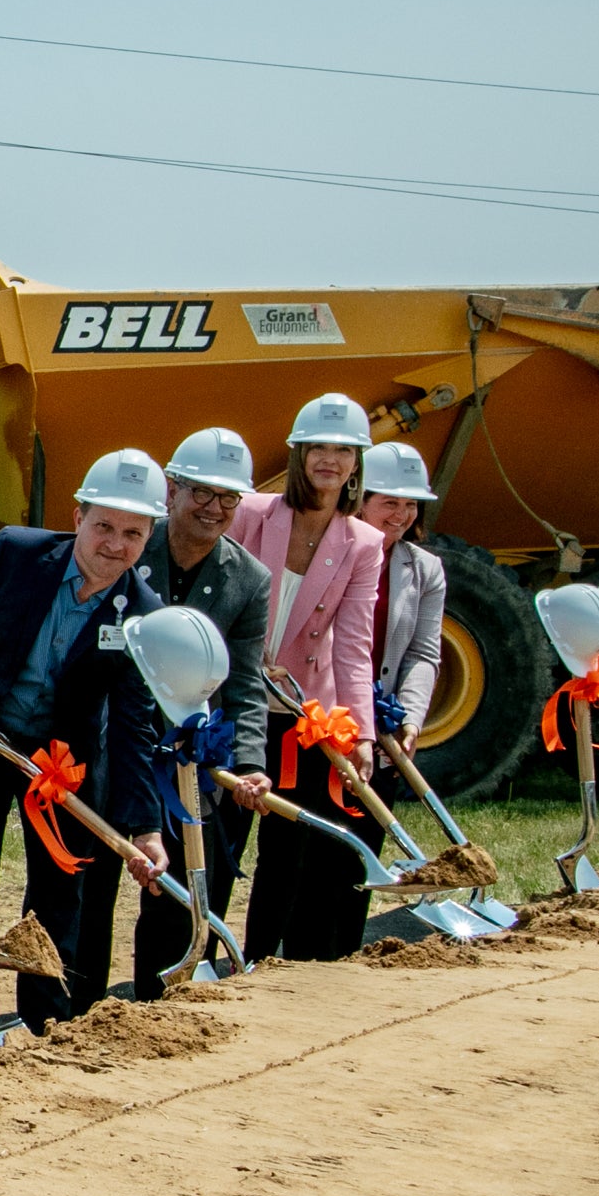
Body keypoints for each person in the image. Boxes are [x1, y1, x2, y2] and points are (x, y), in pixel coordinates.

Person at [0, 451, 177, 1028]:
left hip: (59, 766)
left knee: (59, 897)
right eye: (104, 526)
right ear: (78, 515)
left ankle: (47, 1026)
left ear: (149, 539)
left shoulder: (141, 615)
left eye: (133, 533)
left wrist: (144, 829)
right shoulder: (15, 553)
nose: (115, 544)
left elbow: (134, 723)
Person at [227, 396, 387, 961]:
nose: (330, 459)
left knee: (285, 850)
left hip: (300, 716)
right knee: (223, 845)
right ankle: (200, 961)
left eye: (344, 450)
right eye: (319, 446)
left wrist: (361, 731)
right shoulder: (251, 514)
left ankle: (262, 960)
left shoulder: (364, 543)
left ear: (356, 464)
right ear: (299, 454)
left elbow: (354, 644)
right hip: (233, 703)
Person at [126, 427, 276, 996]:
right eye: (201, 492)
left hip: (190, 757)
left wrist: (248, 761)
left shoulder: (248, 580)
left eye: (229, 498)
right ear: (172, 489)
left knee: (188, 886)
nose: (214, 508)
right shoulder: (133, 545)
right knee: (86, 889)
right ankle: (73, 1015)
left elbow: (242, 682)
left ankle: (168, 1002)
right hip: (119, 742)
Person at [362, 440, 450, 758]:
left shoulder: (426, 568)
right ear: (360, 500)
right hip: (322, 721)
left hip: (381, 726)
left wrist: (410, 719)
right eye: (390, 503)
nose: (402, 514)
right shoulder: (325, 556)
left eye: (411, 504)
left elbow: (422, 654)